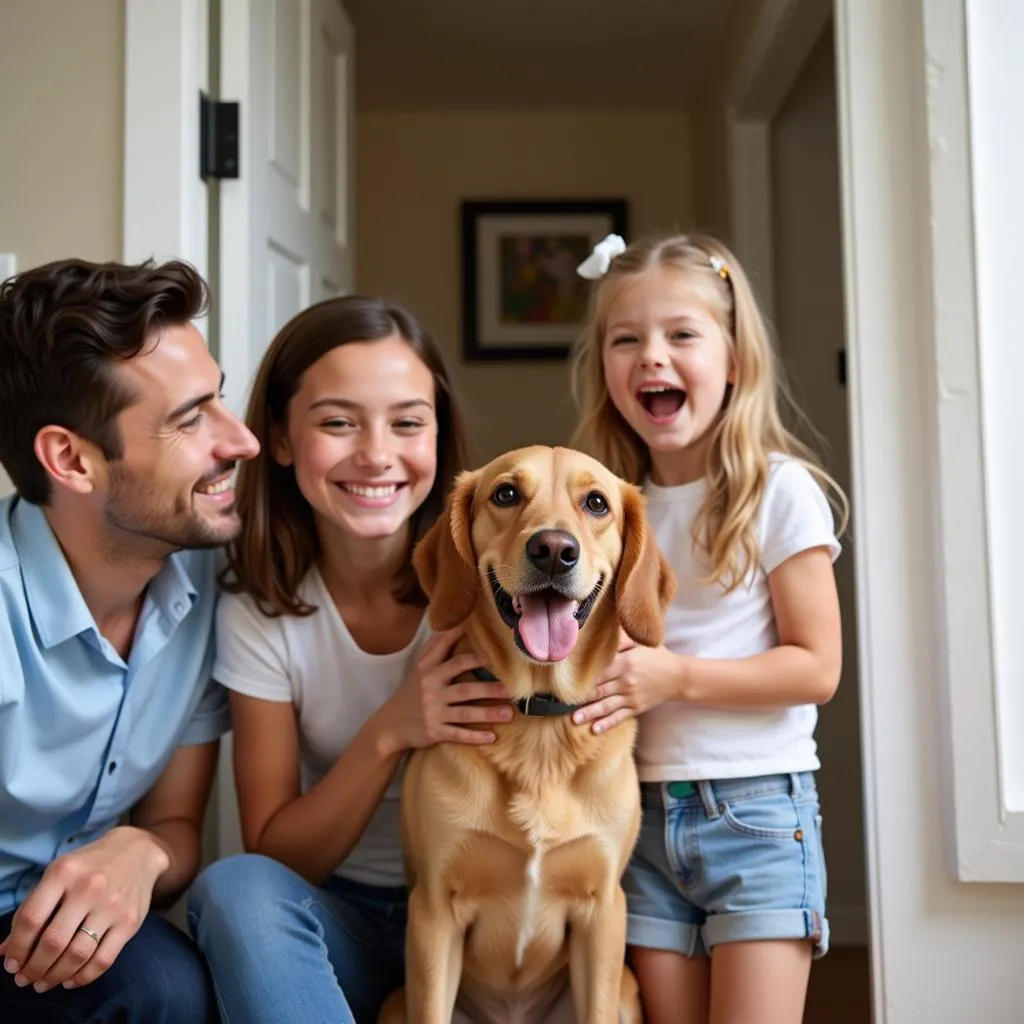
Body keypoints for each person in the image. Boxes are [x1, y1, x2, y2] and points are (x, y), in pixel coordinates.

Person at [187, 296, 511, 1023]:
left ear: (440, 434)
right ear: (277, 437)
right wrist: (392, 729)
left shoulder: (501, 581)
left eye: (407, 422)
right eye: (337, 422)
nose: (376, 453)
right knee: (233, 888)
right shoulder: (259, 610)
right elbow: (278, 855)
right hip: (348, 923)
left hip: (494, 922)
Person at [569, 232, 848, 1024]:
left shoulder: (779, 491)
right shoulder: (607, 507)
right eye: (626, 339)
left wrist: (674, 675)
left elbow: (816, 668)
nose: (651, 357)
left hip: (757, 815)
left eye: (681, 335)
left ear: (733, 360)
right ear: (605, 371)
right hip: (636, 817)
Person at [0, 257, 260, 1022]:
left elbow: (173, 823)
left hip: (61, 923)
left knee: (171, 990)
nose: (240, 441)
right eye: (191, 419)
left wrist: (140, 852)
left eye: (221, 399)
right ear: (72, 460)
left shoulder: (208, 585)